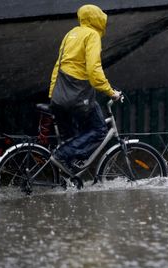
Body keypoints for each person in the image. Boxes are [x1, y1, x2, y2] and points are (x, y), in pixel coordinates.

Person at [48, 4, 120, 175]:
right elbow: (94, 70)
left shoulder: (71, 34)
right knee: (99, 130)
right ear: (98, 18)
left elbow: (58, 66)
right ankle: (61, 155)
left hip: (60, 96)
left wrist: (53, 94)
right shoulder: (92, 35)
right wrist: (111, 92)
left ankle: (68, 178)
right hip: (78, 95)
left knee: (72, 138)